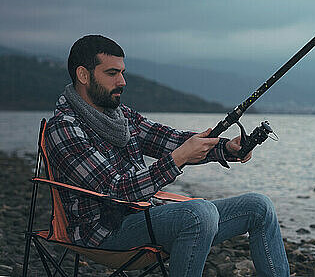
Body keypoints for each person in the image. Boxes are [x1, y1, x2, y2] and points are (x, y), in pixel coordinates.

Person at [45, 35, 290, 277]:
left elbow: (169, 139)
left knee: (259, 206)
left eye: (122, 72)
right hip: (104, 231)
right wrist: (178, 158)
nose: (122, 81)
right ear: (83, 75)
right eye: (112, 73)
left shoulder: (122, 116)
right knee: (199, 214)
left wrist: (226, 148)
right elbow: (115, 191)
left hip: (144, 215)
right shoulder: (65, 127)